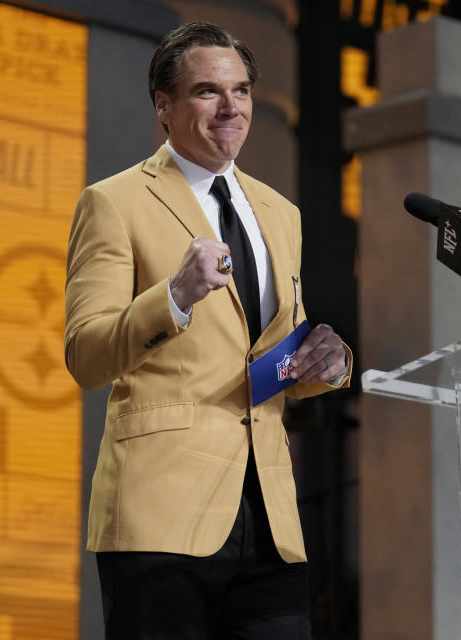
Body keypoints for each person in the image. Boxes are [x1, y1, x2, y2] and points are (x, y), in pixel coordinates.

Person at [63, 22, 351, 639]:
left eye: (242, 90)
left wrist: (323, 362)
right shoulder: (114, 202)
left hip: (269, 517)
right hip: (160, 511)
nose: (231, 108)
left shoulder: (282, 213)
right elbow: (86, 355)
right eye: (207, 92)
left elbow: (274, 353)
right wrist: (175, 295)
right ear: (163, 107)